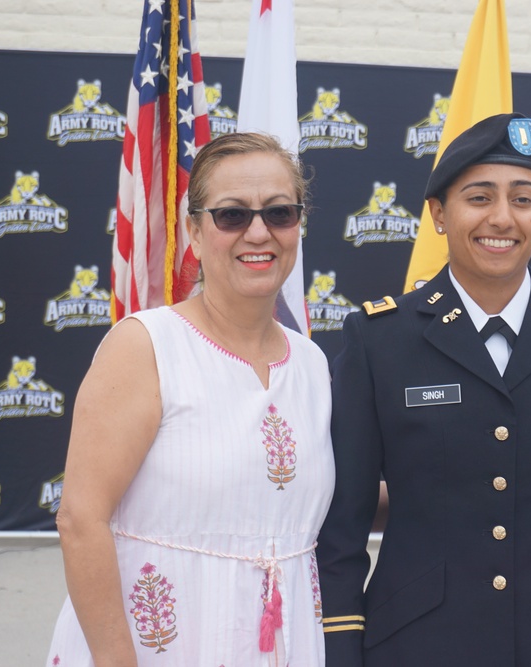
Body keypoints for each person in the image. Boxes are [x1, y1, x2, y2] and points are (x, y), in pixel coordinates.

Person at [316, 112, 531, 667]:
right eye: (479, 197)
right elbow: (342, 530)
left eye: (522, 199)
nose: (502, 218)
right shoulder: (380, 340)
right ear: (438, 214)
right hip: (414, 648)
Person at [47, 132, 334, 667]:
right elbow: (81, 520)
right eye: (231, 215)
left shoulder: (312, 364)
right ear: (195, 232)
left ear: (299, 225)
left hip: (282, 645)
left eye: (279, 212)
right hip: (158, 645)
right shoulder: (146, 345)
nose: (258, 232)